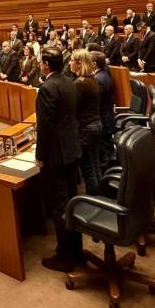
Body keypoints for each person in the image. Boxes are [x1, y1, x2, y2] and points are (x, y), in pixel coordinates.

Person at [34, 48, 83, 272]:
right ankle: (76, 251)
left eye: (40, 62)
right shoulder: (69, 82)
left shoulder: (47, 88)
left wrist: (40, 156)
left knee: (59, 207)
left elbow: (45, 127)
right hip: (72, 149)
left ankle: (65, 257)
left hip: (56, 155)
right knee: (72, 203)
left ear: (46, 64)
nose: (40, 65)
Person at [70, 49, 102, 196]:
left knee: (88, 170)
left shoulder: (80, 83)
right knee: (96, 165)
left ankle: (93, 201)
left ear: (79, 63)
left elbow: (72, 107)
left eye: (72, 60)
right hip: (95, 125)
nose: (69, 63)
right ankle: (100, 197)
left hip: (85, 129)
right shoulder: (92, 79)